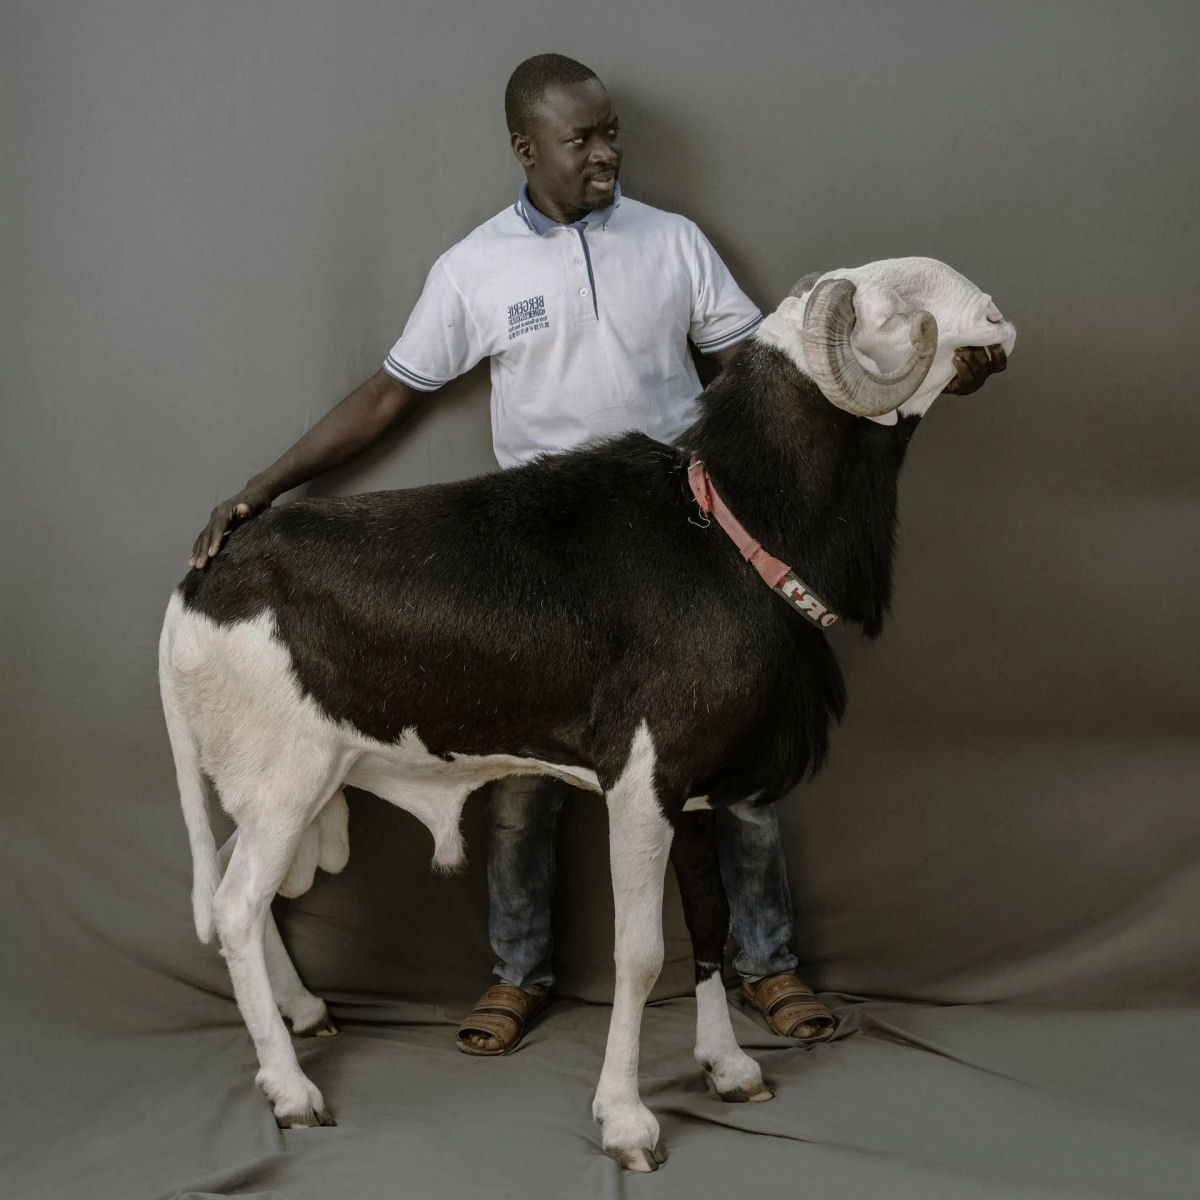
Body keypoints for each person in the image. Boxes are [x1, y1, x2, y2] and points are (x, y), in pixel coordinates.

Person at [191, 53, 1002, 1057]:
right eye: (583, 140)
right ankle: (516, 972)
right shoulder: (475, 268)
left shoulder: (675, 245)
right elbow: (388, 395)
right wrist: (258, 490)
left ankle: (767, 963)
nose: (607, 153)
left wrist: (918, 379)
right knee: (519, 767)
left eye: (612, 132)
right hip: (546, 553)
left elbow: (779, 375)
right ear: (525, 148)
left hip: (691, 537)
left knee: (736, 765)